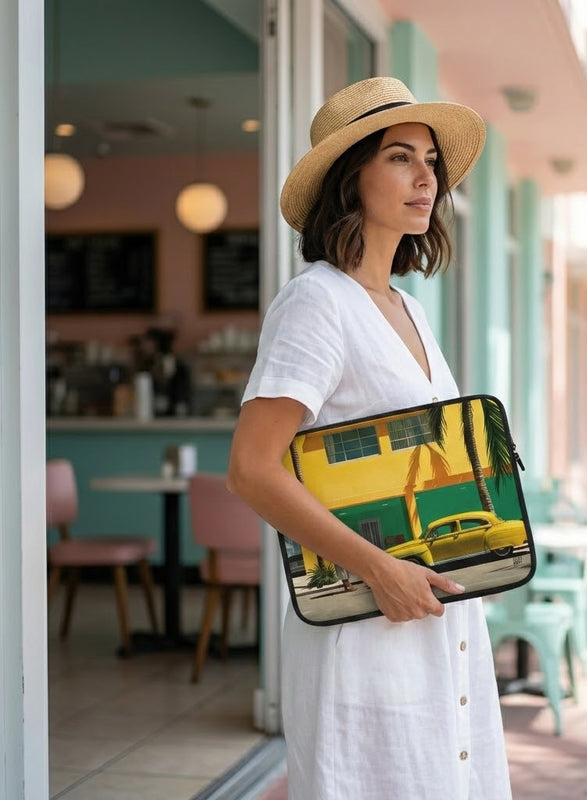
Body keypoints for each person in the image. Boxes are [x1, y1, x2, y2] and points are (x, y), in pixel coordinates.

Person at [228, 76, 512, 800]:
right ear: (348, 181)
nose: (427, 178)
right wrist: (378, 569)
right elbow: (254, 469)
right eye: (399, 157)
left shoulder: (407, 308)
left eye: (432, 161)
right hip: (365, 623)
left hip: (437, 621)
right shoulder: (316, 303)